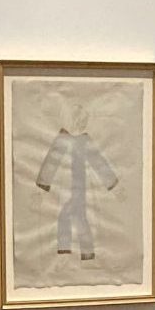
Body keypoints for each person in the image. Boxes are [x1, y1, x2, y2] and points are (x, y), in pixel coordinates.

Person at [35, 103, 118, 260]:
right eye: (75, 120)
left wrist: (110, 181)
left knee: (79, 216)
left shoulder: (85, 141)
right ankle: (66, 248)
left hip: (81, 185)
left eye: (81, 121)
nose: (77, 124)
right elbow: (51, 162)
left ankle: (85, 251)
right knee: (64, 215)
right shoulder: (62, 140)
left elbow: (98, 162)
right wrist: (44, 181)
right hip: (64, 185)